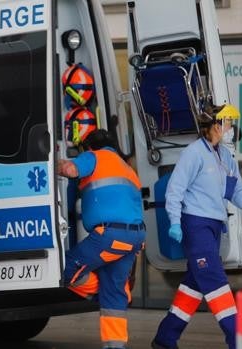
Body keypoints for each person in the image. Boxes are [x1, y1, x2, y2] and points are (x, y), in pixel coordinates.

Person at [150, 104, 242, 349]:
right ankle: (237, 338)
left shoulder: (225, 156)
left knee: (193, 286)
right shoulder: (194, 153)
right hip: (195, 225)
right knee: (214, 280)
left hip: (215, 226)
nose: (231, 129)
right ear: (215, 125)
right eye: (228, 123)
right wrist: (175, 221)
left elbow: (236, 191)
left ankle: (165, 338)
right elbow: (175, 189)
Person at [58, 129, 146, 349]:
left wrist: (49, 162)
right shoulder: (127, 168)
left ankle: (104, 292)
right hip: (134, 238)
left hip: (109, 235)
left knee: (65, 267)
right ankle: (115, 345)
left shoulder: (94, 156)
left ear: (90, 147)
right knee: (114, 294)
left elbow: (70, 169)